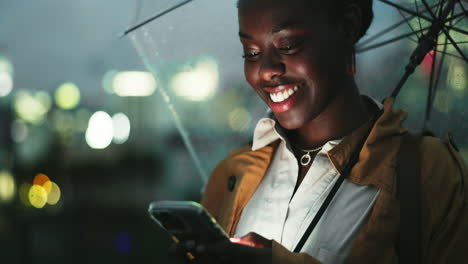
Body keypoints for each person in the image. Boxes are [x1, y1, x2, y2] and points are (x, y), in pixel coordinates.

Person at [175, 0, 468, 263]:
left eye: (288, 45)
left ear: (347, 26)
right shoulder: (232, 174)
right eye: (250, 52)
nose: (265, 70)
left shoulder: (430, 174)